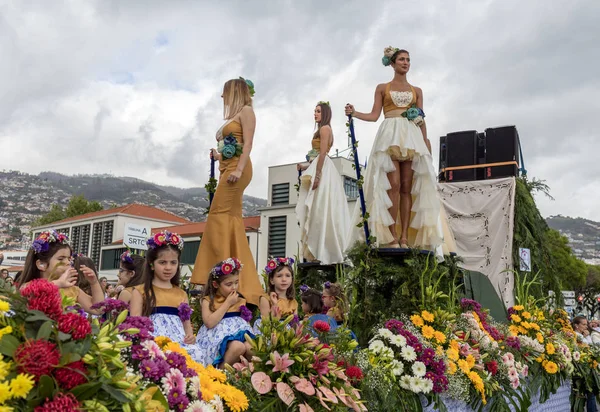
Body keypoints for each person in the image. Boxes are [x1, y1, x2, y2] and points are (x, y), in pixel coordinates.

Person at [345, 47, 456, 258]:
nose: (405, 63)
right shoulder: (382, 88)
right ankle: (392, 234)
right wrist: (355, 113)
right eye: (402, 59)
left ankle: (405, 236)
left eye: (408, 60)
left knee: (408, 187)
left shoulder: (417, 91)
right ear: (392, 63)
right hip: (390, 136)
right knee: (392, 185)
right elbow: (374, 114)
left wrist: (425, 143)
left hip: (411, 137)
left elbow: (421, 119)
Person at [191, 78, 263, 306]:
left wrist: (239, 169)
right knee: (231, 221)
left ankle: (218, 273)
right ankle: (240, 282)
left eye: (225, 93)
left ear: (235, 92)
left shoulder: (247, 111)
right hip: (228, 167)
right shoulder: (235, 116)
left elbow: (249, 144)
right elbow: (236, 147)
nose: (222, 97)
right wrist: (219, 156)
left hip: (237, 170)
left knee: (218, 216)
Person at [130, 231, 202, 361]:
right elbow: (135, 323)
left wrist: (190, 335)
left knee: (196, 353)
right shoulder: (140, 291)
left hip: (179, 343)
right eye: (162, 262)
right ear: (152, 264)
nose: (168, 267)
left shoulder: (181, 294)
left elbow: (186, 323)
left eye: (173, 263)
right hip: (153, 342)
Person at [296, 102, 350, 264]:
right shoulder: (321, 129)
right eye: (314, 111)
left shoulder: (325, 129)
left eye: (318, 111)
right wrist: (306, 166)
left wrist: (317, 175)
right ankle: (316, 249)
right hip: (319, 166)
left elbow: (323, 153)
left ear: (325, 113)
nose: (315, 113)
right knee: (316, 209)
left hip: (323, 169)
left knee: (320, 207)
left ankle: (322, 250)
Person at [19, 230, 104, 312]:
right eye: (61, 259)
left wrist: (94, 283)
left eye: (69, 258)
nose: (67, 262)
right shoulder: (29, 286)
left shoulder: (72, 289)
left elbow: (98, 309)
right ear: (41, 264)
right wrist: (59, 283)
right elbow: (26, 291)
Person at [196, 258, 255, 367]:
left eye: (236, 283)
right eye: (228, 284)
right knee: (238, 347)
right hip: (218, 340)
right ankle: (220, 372)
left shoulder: (240, 300)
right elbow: (209, 323)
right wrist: (227, 303)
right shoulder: (208, 300)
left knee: (252, 348)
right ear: (215, 284)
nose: (234, 288)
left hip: (241, 335)